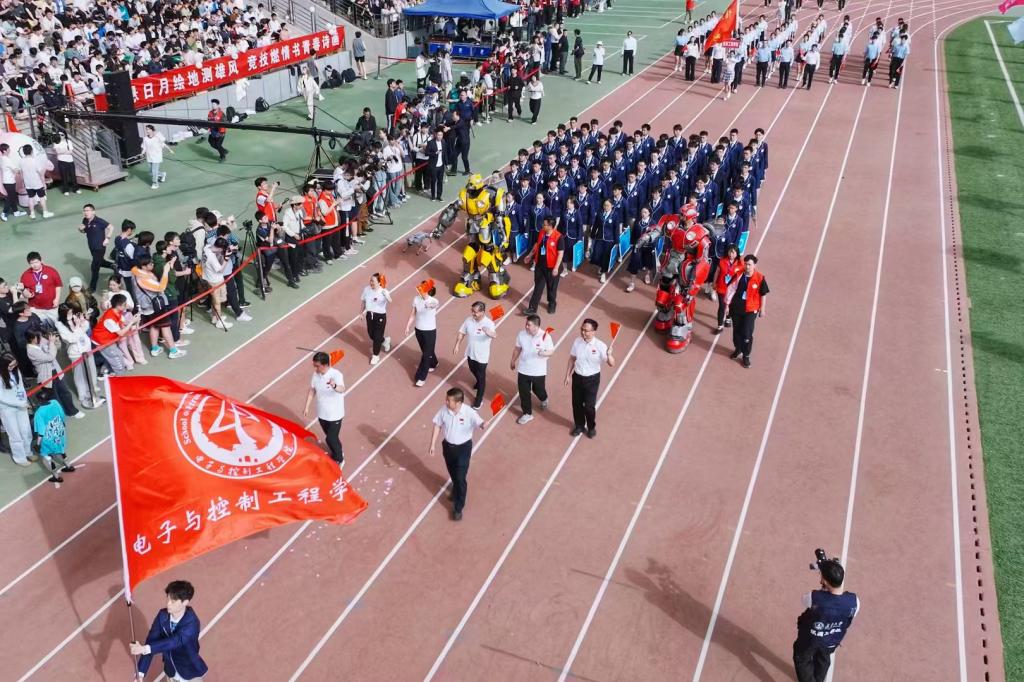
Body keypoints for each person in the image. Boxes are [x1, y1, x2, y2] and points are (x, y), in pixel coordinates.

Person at [793, 556, 860, 682]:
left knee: (802, 659)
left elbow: (804, 600)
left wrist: (824, 590)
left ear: (824, 581)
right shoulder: (854, 601)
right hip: (831, 641)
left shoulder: (814, 597)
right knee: (823, 660)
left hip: (809, 640)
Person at [132, 580, 209, 682]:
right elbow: (151, 641)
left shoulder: (192, 623)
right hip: (170, 672)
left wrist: (144, 649)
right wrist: (140, 672)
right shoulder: (162, 616)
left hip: (190, 673)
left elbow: (174, 641)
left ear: (185, 602)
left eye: (173, 601)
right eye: (167, 599)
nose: (168, 604)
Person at [429, 387, 486, 521]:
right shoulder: (444, 410)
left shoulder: (469, 412)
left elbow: (480, 422)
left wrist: (483, 424)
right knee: (453, 473)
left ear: (459, 402)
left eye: (449, 400)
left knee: (460, 478)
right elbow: (437, 425)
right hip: (448, 448)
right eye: (446, 399)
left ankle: (458, 508)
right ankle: (455, 489)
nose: (446, 402)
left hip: (463, 449)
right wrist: (432, 444)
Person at [564, 318, 615, 438]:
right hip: (577, 377)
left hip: (592, 380)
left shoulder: (600, 346)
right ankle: (579, 426)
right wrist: (567, 375)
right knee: (576, 404)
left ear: (593, 331)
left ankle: (591, 427)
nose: (583, 332)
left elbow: (612, 363)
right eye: (582, 329)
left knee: (589, 407)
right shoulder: (577, 342)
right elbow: (572, 359)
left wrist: (609, 355)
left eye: (586, 330)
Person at [26, 329, 83, 419]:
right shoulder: (31, 350)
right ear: (32, 339)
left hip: (56, 371)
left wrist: (56, 341)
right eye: (38, 337)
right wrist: (51, 343)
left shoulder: (40, 340)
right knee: (54, 398)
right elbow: (50, 357)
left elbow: (57, 348)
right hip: (46, 376)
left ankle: (72, 411)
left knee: (65, 392)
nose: (41, 338)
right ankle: (59, 416)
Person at [303, 351, 346, 468]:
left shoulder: (336, 375)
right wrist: (307, 406)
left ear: (326, 364)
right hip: (322, 413)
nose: (315, 368)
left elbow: (342, 389)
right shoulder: (316, 375)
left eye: (317, 366)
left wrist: (334, 385)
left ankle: (340, 459)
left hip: (335, 414)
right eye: (314, 366)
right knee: (332, 438)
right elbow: (312, 390)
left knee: (330, 438)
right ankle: (338, 451)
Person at [511, 314, 555, 425]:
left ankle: (544, 398)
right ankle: (527, 413)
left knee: (538, 390)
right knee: (524, 392)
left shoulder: (545, 336)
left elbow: (551, 351)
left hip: (538, 371)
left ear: (536, 326)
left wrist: (543, 353)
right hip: (523, 369)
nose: (526, 326)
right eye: (526, 324)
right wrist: (513, 360)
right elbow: (517, 349)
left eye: (528, 325)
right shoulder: (522, 334)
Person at [453, 301, 496, 410]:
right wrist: (457, 345)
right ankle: (479, 381)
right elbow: (461, 332)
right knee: (472, 369)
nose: (473, 313)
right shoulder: (468, 320)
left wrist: (488, 332)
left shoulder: (489, 323)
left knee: (481, 378)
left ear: (482, 312)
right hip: (470, 353)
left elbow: (494, 335)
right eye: (472, 311)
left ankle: (479, 400)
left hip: (482, 357)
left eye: (475, 312)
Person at [729, 254, 768, 368]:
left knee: (747, 333)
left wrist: (762, 309)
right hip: (737, 308)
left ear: (754, 265)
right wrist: (727, 305)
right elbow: (730, 289)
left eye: (749, 264)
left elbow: (763, 294)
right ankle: (738, 349)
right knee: (736, 331)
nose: (747, 266)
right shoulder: (738, 274)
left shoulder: (760, 278)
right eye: (745, 264)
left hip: (751, 310)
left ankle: (746, 355)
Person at [32, 386, 77, 483]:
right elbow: (62, 415)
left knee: (46, 457)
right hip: (60, 433)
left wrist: (38, 444)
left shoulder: (39, 413)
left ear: (39, 401)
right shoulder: (55, 403)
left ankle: (56, 476)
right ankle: (68, 466)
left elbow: (41, 432)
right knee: (61, 450)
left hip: (48, 439)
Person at [524, 217, 565, 315]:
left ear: (550, 226)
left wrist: (556, 268)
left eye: (545, 224)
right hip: (540, 265)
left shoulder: (558, 237)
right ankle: (532, 308)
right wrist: (530, 255)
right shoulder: (541, 233)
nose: (543, 226)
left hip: (552, 267)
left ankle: (552, 304)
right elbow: (537, 245)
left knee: (551, 288)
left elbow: (560, 253)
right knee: (538, 286)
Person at [405, 280, 440, 387]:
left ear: (427, 290)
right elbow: (413, 314)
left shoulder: (434, 301)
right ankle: (434, 362)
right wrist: (408, 326)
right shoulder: (416, 299)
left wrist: (428, 304)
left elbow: (433, 305)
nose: (419, 291)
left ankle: (421, 377)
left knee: (425, 355)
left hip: (430, 331)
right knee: (427, 351)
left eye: (422, 289)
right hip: (418, 330)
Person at [0, 352, 32, 467]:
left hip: (21, 405)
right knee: (15, 435)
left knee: (26, 430)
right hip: (7, 409)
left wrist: (24, 400)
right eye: (10, 366)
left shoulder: (15, 371)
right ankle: (20, 458)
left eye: (14, 364)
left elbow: (21, 387)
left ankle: (28, 452)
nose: (13, 367)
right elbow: (2, 397)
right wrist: (19, 403)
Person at [92, 293, 136, 375]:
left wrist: (132, 322)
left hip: (108, 340)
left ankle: (105, 371)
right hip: (102, 342)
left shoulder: (115, 311)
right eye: (124, 304)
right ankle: (119, 377)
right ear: (118, 306)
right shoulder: (109, 319)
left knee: (113, 356)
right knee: (117, 360)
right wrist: (132, 322)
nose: (126, 305)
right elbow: (121, 333)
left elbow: (123, 322)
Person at [19, 251, 62, 323]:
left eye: (36, 262)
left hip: (51, 306)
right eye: (32, 263)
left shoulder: (51, 271)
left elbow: (58, 285)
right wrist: (23, 290)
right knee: (39, 325)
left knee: (55, 323)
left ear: (41, 260)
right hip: (35, 308)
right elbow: (25, 293)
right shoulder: (25, 275)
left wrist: (57, 299)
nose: (34, 265)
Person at [79, 204, 113, 292]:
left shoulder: (99, 221)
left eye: (88, 210)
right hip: (92, 247)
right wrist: (80, 229)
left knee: (94, 267)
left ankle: (92, 288)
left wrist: (107, 238)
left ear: (93, 212)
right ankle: (114, 266)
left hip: (99, 248)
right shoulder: (85, 220)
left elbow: (111, 227)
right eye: (84, 211)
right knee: (100, 261)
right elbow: (85, 231)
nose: (86, 212)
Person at [361, 273, 392, 365]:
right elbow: (363, 301)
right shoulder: (366, 289)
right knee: (372, 335)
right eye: (370, 280)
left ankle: (375, 356)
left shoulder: (383, 291)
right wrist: (361, 313)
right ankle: (385, 341)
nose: (371, 282)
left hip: (380, 317)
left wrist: (386, 296)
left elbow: (390, 300)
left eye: (373, 281)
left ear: (379, 282)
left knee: (377, 337)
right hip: (370, 315)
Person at [19, 144, 54, 219]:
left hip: (28, 183)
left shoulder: (21, 161)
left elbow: (21, 174)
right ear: (31, 151)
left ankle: (32, 214)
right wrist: (44, 183)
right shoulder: (35, 160)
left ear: (24, 152)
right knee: (42, 197)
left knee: (30, 198)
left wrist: (24, 183)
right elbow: (41, 173)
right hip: (37, 182)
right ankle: (45, 212)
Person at [142, 125, 172, 189]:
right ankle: (163, 174)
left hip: (157, 157)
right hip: (149, 157)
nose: (148, 131)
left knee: (154, 171)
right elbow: (144, 147)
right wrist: (142, 153)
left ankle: (155, 184)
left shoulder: (157, 137)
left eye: (149, 129)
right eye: (147, 129)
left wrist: (169, 150)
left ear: (152, 130)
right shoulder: (145, 138)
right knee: (151, 172)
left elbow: (163, 144)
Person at [0, 143, 24, 222]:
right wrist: (22, 169)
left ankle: (16, 212)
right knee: (10, 198)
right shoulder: (6, 160)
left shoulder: (2, 158)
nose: (9, 150)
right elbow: (15, 170)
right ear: (4, 151)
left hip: (8, 181)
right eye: (8, 149)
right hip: (9, 182)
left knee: (12, 197)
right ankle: (4, 213)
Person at [426, 128, 448, 201]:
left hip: (441, 165)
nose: (440, 136)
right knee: (433, 181)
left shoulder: (443, 142)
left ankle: (439, 196)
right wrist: (435, 153)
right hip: (433, 166)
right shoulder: (431, 142)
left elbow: (445, 153)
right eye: (438, 135)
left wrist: (446, 164)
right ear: (435, 135)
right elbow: (426, 153)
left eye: (441, 135)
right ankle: (433, 196)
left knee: (440, 181)